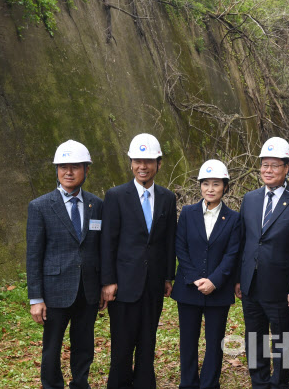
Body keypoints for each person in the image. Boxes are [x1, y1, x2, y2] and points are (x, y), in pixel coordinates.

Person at [100, 133, 177, 388]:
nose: (142, 166)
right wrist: (108, 280)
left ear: (159, 163)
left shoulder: (167, 197)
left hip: (153, 285)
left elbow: (168, 241)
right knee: (122, 345)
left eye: (148, 161)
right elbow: (108, 241)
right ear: (131, 163)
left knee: (147, 342)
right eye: (137, 161)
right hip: (123, 285)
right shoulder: (116, 196)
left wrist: (168, 277)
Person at [236, 137, 289, 389]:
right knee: (254, 336)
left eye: (275, 165)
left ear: (287, 167)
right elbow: (244, 241)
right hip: (251, 284)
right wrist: (239, 277)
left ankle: (280, 383)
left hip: (281, 288)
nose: (268, 171)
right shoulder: (250, 199)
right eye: (264, 165)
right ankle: (259, 382)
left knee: (283, 339)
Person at [26, 139, 104, 388]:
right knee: (52, 346)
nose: (68, 172)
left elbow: (100, 248)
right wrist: (36, 298)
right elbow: (34, 254)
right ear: (57, 170)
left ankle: (80, 383)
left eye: (75, 167)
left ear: (86, 170)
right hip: (55, 291)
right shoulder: (40, 206)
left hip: (88, 290)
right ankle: (52, 385)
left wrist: (103, 284)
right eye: (63, 167)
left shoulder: (97, 205)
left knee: (84, 344)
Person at [171, 159, 240, 389]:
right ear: (200, 186)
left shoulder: (233, 218)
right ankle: (188, 383)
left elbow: (232, 254)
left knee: (214, 343)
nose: (210, 189)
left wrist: (214, 281)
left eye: (216, 184)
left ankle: (209, 384)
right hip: (189, 289)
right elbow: (180, 247)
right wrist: (194, 278)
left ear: (225, 187)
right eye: (206, 183)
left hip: (218, 292)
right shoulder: (188, 213)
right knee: (188, 341)